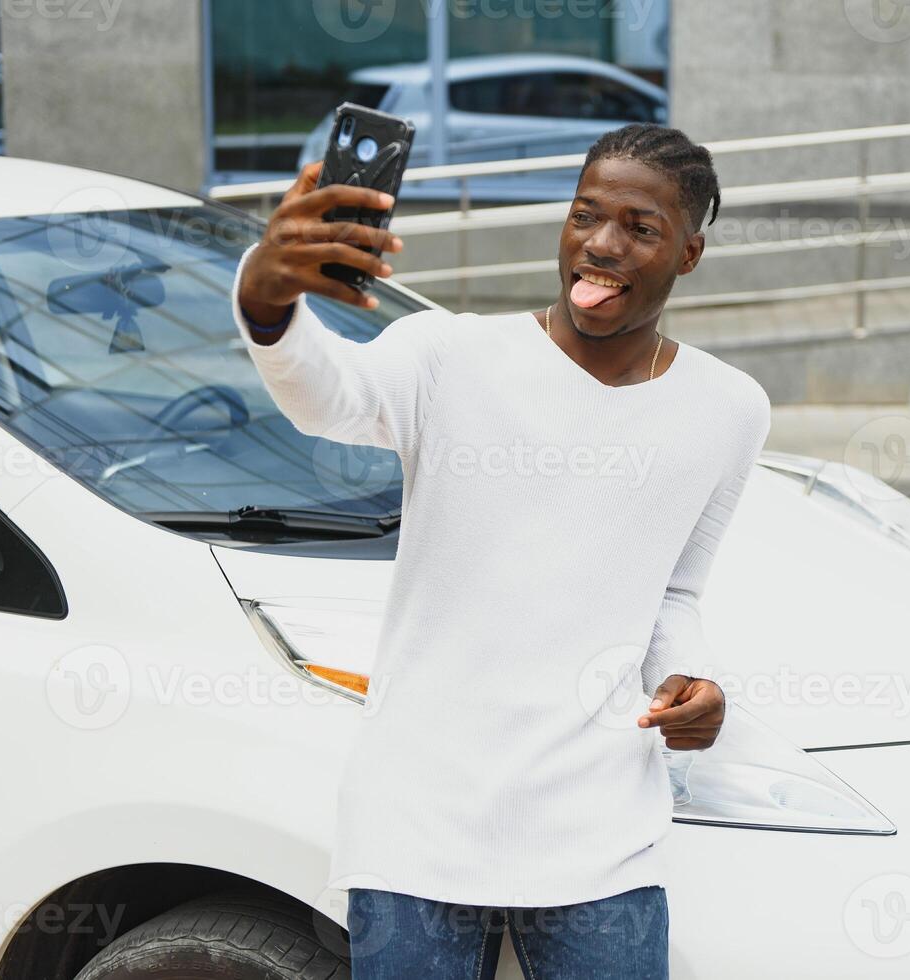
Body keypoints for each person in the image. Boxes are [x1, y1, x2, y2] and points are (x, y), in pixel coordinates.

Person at [231, 123, 772, 979]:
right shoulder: (451, 355)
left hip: (602, 832)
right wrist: (267, 305)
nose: (601, 244)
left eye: (640, 227)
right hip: (417, 827)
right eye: (585, 215)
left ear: (690, 252)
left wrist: (693, 685)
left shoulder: (730, 408)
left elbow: (673, 591)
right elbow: (326, 399)